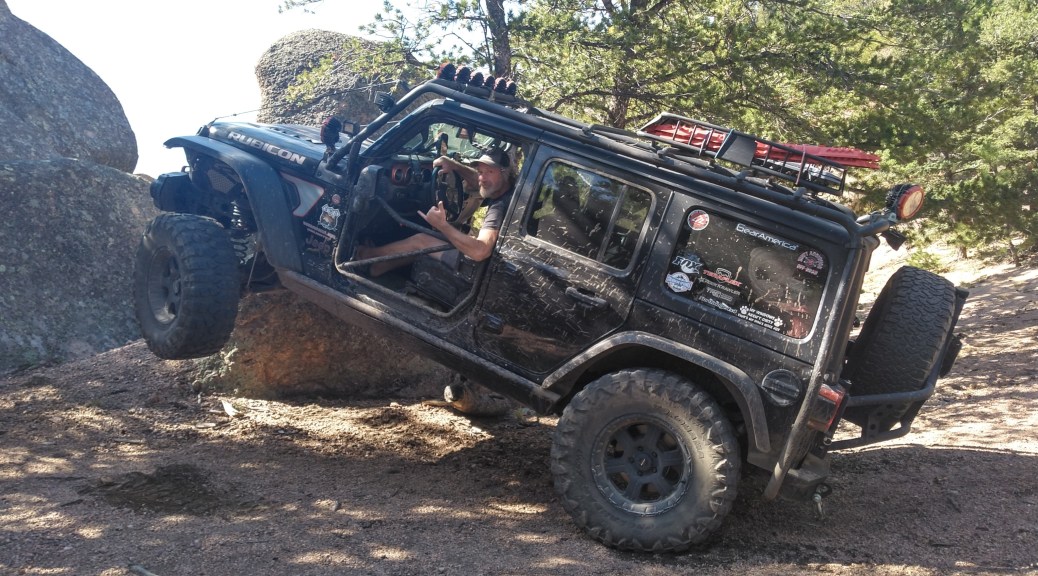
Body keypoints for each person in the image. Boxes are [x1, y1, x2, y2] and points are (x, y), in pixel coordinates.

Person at [357, 147, 514, 277]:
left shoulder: (499, 206)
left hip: (479, 271)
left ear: (504, 172)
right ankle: (380, 266)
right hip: (493, 265)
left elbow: (480, 251)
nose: (482, 178)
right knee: (434, 236)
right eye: (480, 171)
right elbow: (477, 180)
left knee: (422, 240)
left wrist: (442, 225)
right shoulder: (508, 191)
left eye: (490, 172)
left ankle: (368, 255)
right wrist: (454, 166)